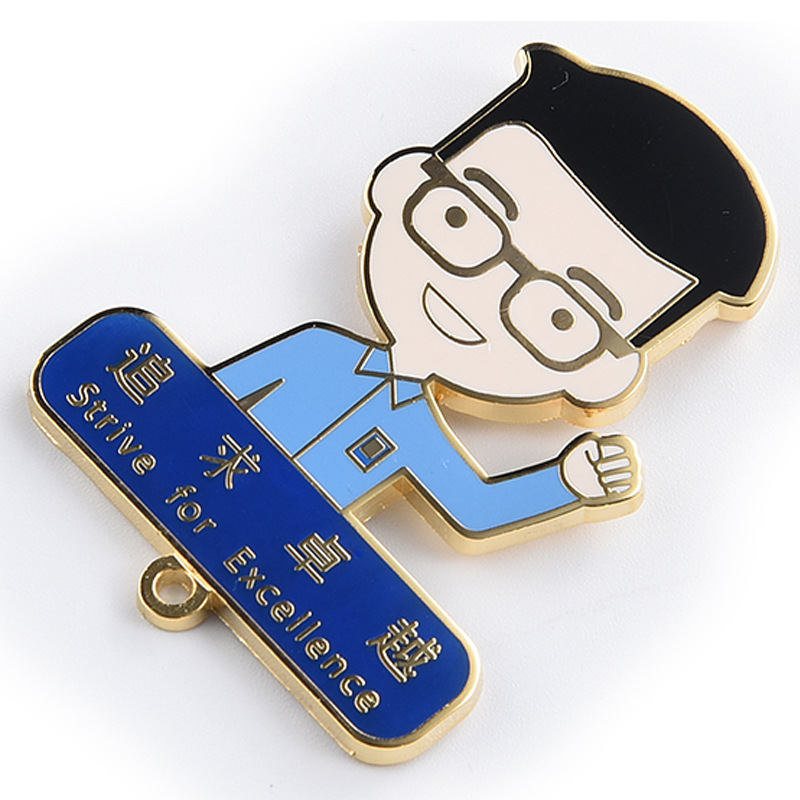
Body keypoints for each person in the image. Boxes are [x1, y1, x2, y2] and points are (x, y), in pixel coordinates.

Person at [212, 44, 775, 554]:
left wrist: (566, 486)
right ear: (406, 184)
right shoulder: (315, 352)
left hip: (274, 555)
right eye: (459, 219)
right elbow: (200, 395)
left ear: (603, 371)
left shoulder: (416, 433)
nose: (482, 294)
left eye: (560, 318)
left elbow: (473, 508)